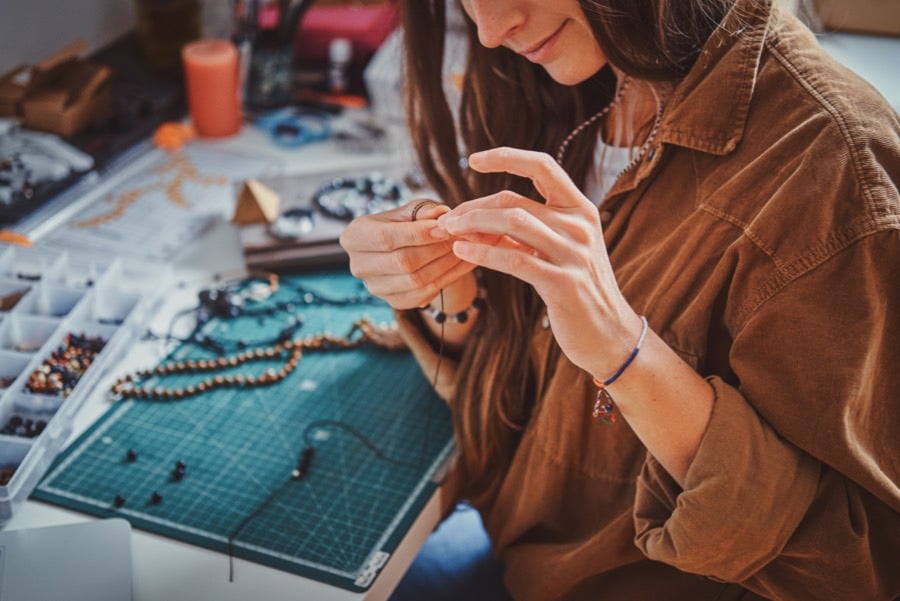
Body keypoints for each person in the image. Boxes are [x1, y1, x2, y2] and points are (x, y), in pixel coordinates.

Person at [339, 0, 900, 599]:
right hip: (519, 554)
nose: (491, 30)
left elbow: (860, 568)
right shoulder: (574, 80)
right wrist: (451, 288)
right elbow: (531, 402)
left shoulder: (835, 172)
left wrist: (623, 351)